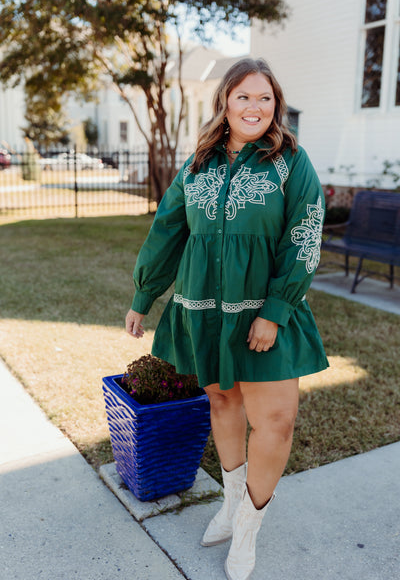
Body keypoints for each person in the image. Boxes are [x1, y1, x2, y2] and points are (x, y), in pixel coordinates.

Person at [126, 57, 329, 580]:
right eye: (244, 96)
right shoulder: (198, 163)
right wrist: (143, 295)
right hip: (204, 306)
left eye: (265, 98)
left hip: (264, 311)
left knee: (277, 422)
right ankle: (229, 500)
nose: (255, 107)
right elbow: (169, 229)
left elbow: (305, 234)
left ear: (276, 105)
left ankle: (248, 525)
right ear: (225, 102)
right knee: (222, 397)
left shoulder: (290, 161)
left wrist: (276, 311)